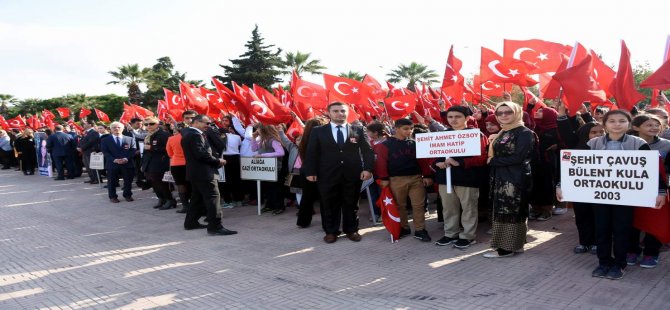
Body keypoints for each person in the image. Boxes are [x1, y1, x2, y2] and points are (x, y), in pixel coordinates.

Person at [557, 110, 665, 280]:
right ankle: (604, 262)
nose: (617, 124)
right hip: (600, 196)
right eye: (612, 121)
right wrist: (562, 185)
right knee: (601, 229)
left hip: (626, 197)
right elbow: (575, 167)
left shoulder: (638, 143)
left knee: (622, 230)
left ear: (629, 124)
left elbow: (652, 170)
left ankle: (619, 264)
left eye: (622, 121)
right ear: (605, 124)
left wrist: (661, 191)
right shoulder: (593, 143)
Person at [304, 102, 375, 244]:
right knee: (328, 203)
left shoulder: (357, 129)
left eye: (343, 111)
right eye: (335, 111)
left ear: (347, 112)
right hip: (327, 174)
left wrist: (367, 169)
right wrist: (310, 171)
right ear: (329, 113)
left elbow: (367, 151)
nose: (340, 114)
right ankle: (331, 231)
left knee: (351, 203)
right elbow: (311, 152)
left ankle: (352, 230)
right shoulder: (318, 131)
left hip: (352, 174)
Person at [484, 102, 536, 258]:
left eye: (508, 112)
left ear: (517, 113)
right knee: (505, 211)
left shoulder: (524, 132)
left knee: (510, 211)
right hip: (501, 177)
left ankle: (505, 249)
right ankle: (515, 245)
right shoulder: (504, 131)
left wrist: (492, 161)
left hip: (514, 178)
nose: (504, 115)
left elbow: (519, 157)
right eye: (500, 113)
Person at [432, 106, 488, 248]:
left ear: (467, 118)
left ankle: (468, 236)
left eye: (458, 116)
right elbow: (431, 154)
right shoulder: (441, 135)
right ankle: (450, 234)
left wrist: (460, 162)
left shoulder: (476, 135)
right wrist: (436, 162)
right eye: (451, 117)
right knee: (449, 207)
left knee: (468, 208)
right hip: (445, 178)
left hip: (468, 178)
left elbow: (482, 157)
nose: (454, 120)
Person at [375, 118, 434, 242]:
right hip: (396, 179)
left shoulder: (414, 143)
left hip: (416, 178)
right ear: (396, 129)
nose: (409, 131)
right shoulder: (384, 145)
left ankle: (420, 229)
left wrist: (427, 175)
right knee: (400, 205)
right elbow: (381, 163)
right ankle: (403, 227)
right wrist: (384, 178)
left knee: (419, 205)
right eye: (405, 129)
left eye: (411, 128)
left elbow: (422, 161)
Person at [181, 114, 237, 236]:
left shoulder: (189, 134)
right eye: (206, 123)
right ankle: (215, 227)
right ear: (196, 122)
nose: (208, 125)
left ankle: (191, 222)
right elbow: (201, 154)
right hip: (204, 173)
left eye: (209, 123)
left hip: (197, 172)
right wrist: (218, 161)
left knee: (197, 198)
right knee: (213, 198)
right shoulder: (194, 135)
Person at [628, 114, 670, 268]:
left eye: (656, 125)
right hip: (631, 190)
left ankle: (651, 253)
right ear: (636, 127)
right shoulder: (626, 144)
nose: (654, 128)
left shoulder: (667, 145)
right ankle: (632, 250)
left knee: (655, 222)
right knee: (631, 221)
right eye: (648, 125)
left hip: (657, 191)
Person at [141, 117, 176, 210]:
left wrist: (152, 148)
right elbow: (145, 151)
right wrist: (143, 164)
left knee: (162, 182)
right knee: (154, 182)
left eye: (151, 124)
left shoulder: (164, 134)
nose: (148, 126)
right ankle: (161, 198)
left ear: (157, 124)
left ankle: (170, 199)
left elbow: (168, 149)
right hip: (149, 163)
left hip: (160, 162)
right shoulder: (147, 135)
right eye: (146, 124)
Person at [251, 124, 286, 215]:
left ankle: (279, 206)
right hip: (265, 169)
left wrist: (262, 155)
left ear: (264, 130)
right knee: (268, 188)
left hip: (275, 168)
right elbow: (254, 148)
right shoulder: (262, 140)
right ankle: (270, 205)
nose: (256, 131)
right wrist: (253, 138)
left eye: (258, 130)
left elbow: (280, 152)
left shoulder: (273, 140)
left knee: (276, 188)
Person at [100, 122, 137, 203]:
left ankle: (127, 195)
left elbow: (133, 150)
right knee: (111, 181)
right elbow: (105, 152)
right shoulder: (105, 140)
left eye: (118, 127)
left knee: (128, 181)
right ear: (110, 129)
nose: (116, 129)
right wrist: (114, 159)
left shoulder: (130, 139)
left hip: (127, 163)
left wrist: (126, 159)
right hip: (112, 164)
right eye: (114, 127)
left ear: (123, 128)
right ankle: (113, 196)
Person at [166, 123, 190, 214]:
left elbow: (169, 153)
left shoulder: (171, 139)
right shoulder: (188, 137)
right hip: (189, 163)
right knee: (191, 184)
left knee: (180, 185)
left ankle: (185, 206)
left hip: (176, 164)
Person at [123, 118, 149, 189]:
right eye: (138, 124)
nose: (140, 125)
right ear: (132, 124)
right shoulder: (125, 132)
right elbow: (124, 143)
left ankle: (141, 182)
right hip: (130, 153)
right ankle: (127, 184)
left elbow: (146, 142)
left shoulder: (145, 132)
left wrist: (140, 150)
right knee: (130, 169)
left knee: (140, 168)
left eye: (141, 124)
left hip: (141, 153)